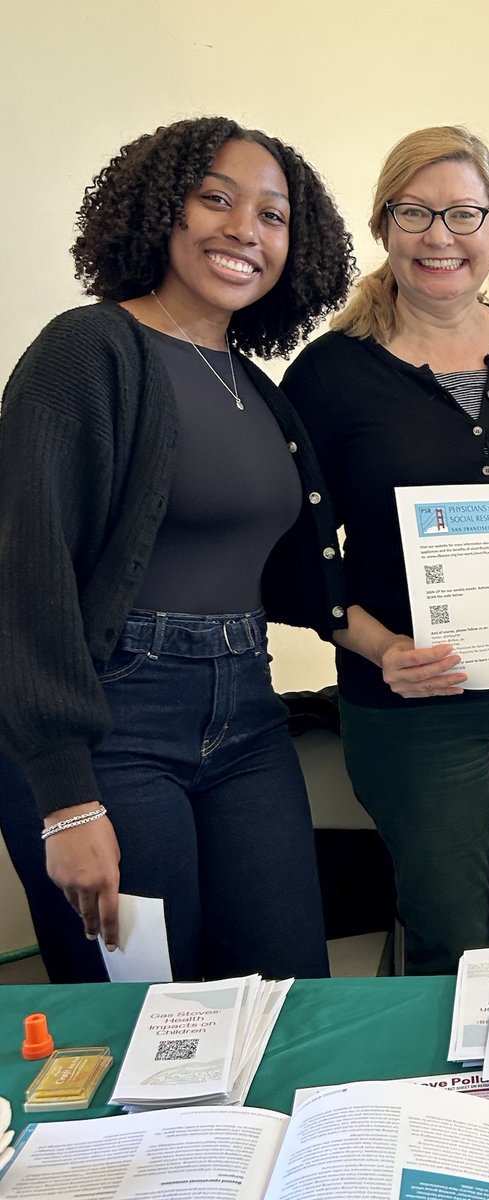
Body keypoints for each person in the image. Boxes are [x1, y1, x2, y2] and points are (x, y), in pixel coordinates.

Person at [0, 117, 355, 982]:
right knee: (147, 1020)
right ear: (160, 211)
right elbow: (24, 579)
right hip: (111, 727)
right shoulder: (86, 352)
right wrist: (65, 801)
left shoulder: (253, 386)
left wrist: (381, 640)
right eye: (216, 200)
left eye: (272, 216)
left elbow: (285, 578)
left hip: (247, 718)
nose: (245, 230)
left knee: (286, 990)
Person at [282, 126, 489, 975]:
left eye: (463, 213)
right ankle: (455, 1105)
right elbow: (289, 552)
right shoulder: (330, 375)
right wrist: (380, 648)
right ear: (384, 225)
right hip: (413, 705)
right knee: (449, 931)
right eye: (415, 213)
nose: (440, 237)